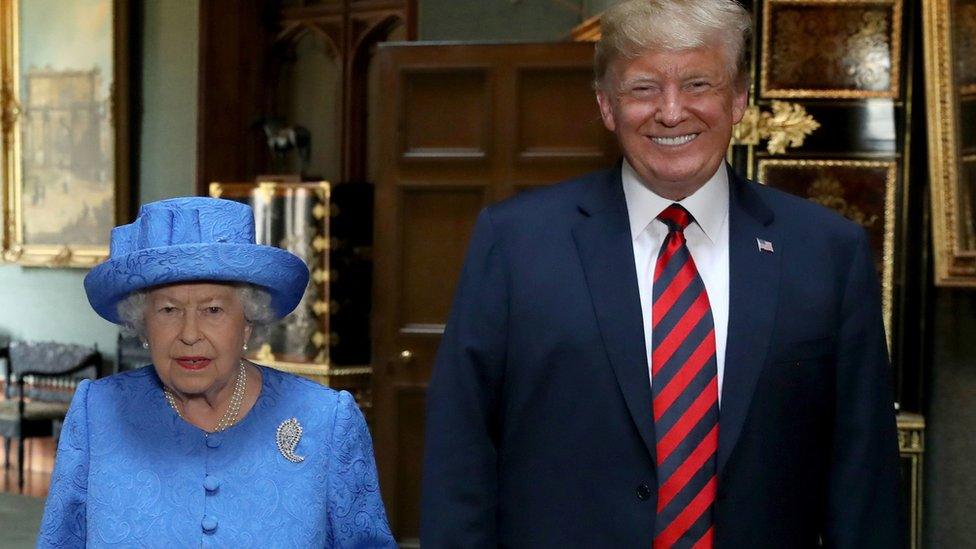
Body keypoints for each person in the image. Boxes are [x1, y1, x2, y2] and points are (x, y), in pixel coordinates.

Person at [421, 0, 901, 547]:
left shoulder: (826, 252)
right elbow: (460, 453)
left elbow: (864, 476)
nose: (672, 112)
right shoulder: (515, 243)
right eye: (643, 88)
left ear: (739, 97)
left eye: (699, 84)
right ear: (606, 104)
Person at [39, 197, 395, 547]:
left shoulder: (327, 420)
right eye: (167, 310)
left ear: (247, 323)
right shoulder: (96, 412)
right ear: (142, 325)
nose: (190, 334)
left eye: (212, 310)